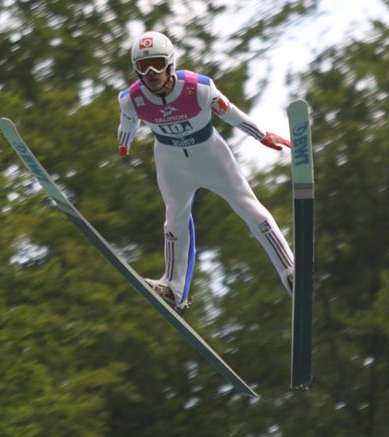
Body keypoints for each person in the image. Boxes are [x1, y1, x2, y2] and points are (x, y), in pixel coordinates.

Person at [117, 30, 294, 311]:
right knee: (174, 218)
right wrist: (123, 145)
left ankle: (289, 270)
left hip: (209, 155)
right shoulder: (131, 99)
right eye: (143, 66)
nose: (151, 73)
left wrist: (261, 135)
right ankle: (173, 288)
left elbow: (232, 113)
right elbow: (127, 124)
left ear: (171, 64)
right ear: (135, 70)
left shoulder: (198, 88)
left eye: (158, 64)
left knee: (249, 207)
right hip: (170, 160)